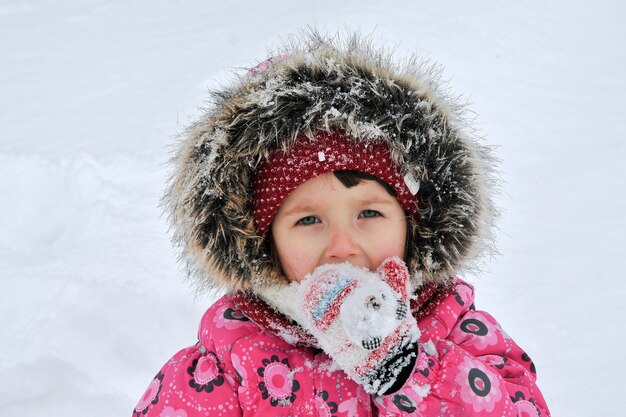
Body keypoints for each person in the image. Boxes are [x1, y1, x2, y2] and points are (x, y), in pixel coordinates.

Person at [133, 31, 550, 417]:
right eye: (309, 219)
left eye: (369, 213)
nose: (342, 245)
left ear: (413, 223)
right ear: (263, 243)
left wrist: (411, 370)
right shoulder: (226, 361)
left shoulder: (456, 331)